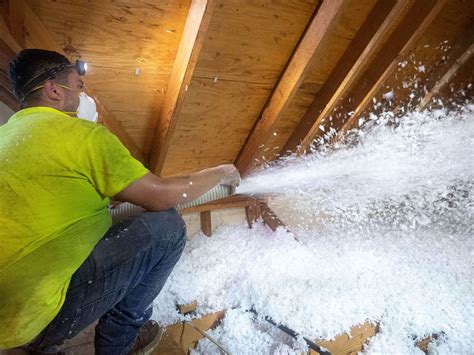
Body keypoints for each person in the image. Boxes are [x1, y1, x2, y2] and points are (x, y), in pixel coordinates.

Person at [0, 49, 241, 355]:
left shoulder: (6, 136)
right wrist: (219, 172)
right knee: (167, 227)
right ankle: (123, 338)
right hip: (39, 315)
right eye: (78, 85)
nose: (83, 94)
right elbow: (161, 195)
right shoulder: (82, 135)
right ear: (52, 89)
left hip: (5, 319)